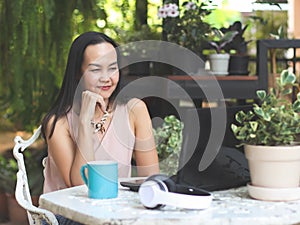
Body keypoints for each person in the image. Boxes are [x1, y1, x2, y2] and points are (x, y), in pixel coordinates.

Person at [41, 31, 160, 194]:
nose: (106, 78)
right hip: (69, 214)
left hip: (116, 210)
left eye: (112, 68)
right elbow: (81, 187)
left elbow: (150, 177)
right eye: (96, 70)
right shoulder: (58, 123)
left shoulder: (134, 110)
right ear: (78, 73)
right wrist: (84, 121)